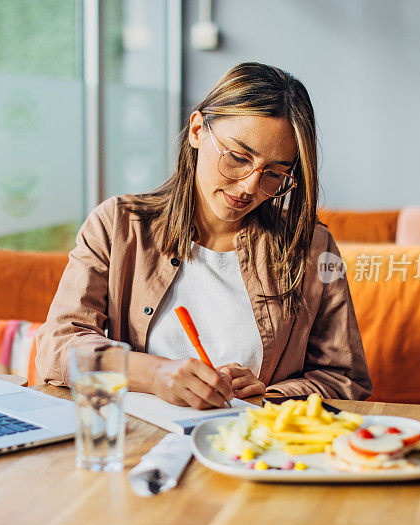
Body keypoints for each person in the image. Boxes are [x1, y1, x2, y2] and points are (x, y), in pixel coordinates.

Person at [36, 62, 372, 408]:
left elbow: (345, 379)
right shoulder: (118, 226)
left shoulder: (312, 248)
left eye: (273, 174)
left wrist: (267, 394)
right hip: (142, 441)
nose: (249, 187)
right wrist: (152, 374)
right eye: (238, 157)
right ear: (197, 130)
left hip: (249, 450)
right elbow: (57, 347)